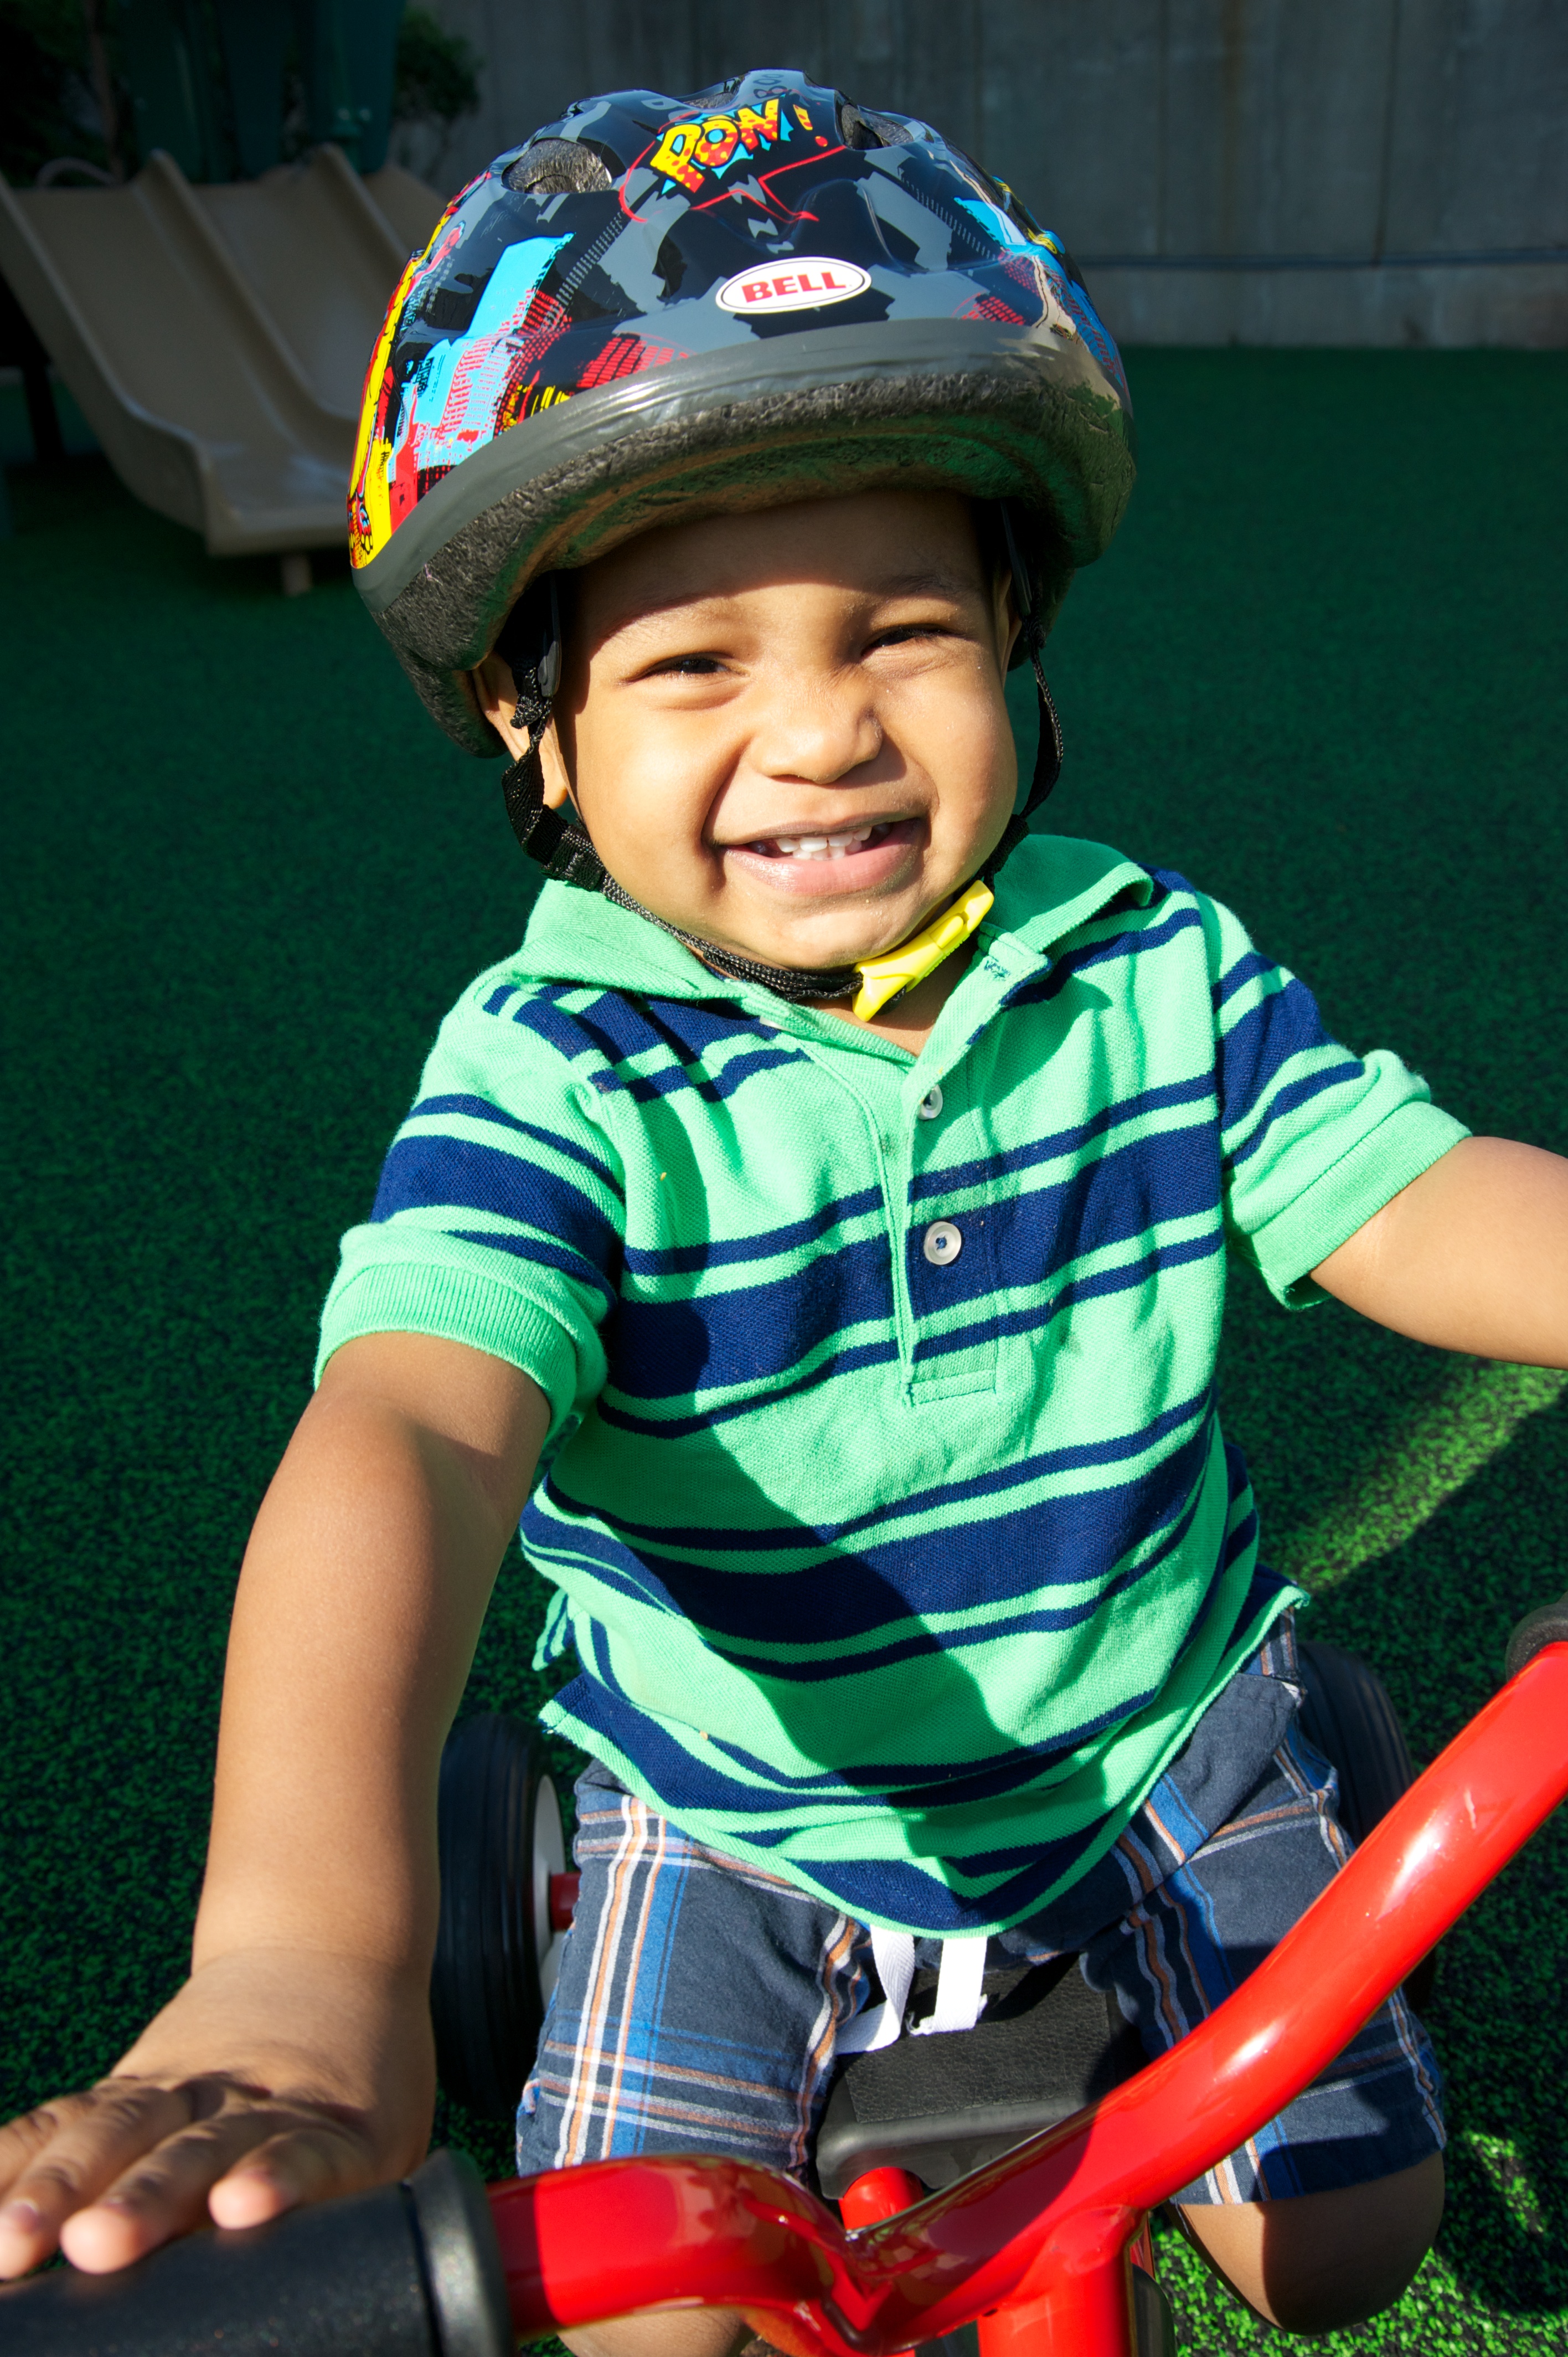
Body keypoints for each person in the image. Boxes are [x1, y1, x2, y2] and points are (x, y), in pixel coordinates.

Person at [2, 68, 1563, 2346]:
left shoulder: (1141, 961)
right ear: (534, 727)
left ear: (1015, 645)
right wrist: (294, 1955)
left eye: (900, 630)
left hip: (1147, 1716)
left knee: (1343, 2247)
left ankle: (1280, 1739)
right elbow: (420, 1433)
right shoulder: (561, 1073)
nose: (823, 730)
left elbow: (1408, 1201)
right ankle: (555, 1889)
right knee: (660, 2313)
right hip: (735, 1790)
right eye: (693, 662)